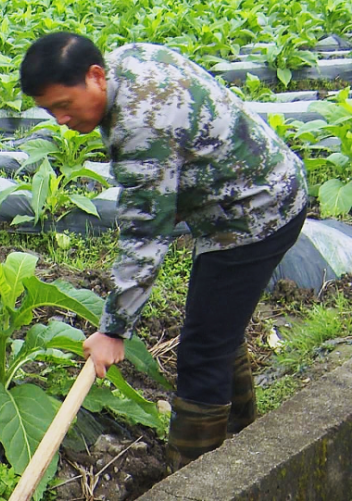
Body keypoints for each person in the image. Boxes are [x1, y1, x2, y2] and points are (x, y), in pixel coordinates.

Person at [19, 32, 308, 470]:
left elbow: (145, 239)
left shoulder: (139, 128)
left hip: (257, 213)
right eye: (49, 110)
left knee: (202, 353)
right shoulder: (129, 59)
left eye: (64, 105)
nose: (60, 119)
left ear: (96, 76)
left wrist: (113, 332)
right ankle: (245, 441)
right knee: (215, 329)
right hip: (250, 191)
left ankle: (193, 477)